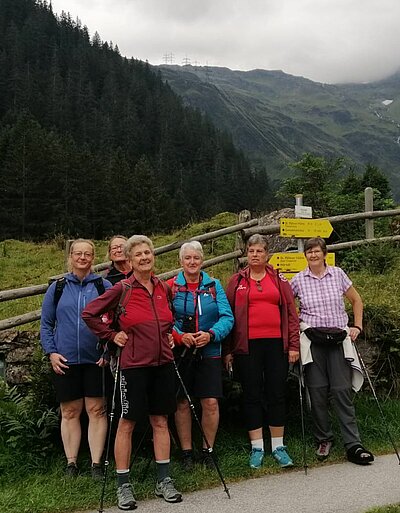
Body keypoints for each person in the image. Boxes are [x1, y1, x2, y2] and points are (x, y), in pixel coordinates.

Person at [82, 235, 182, 510]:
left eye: (147, 252)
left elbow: (165, 320)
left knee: (161, 421)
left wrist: (170, 336)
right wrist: (112, 335)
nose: (144, 257)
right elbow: (89, 314)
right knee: (127, 422)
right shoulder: (122, 288)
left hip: (162, 363)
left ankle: (164, 480)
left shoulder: (163, 287)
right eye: (138, 254)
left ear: (154, 256)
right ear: (129, 260)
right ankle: (123, 485)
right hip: (133, 366)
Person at [290, 237, 374, 465]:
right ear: (305, 255)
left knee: (342, 391)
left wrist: (357, 326)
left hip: (338, 341)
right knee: (316, 392)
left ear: (324, 253)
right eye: (309, 252)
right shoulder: (298, 280)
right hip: (313, 342)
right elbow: (287, 306)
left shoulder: (337, 274)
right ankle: (323, 439)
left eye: (317, 251)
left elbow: (357, 300)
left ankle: (353, 443)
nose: (313, 255)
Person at [223, 234, 299, 469]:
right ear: (246, 254)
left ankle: (278, 446)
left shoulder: (279, 280)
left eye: (259, 251)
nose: (255, 254)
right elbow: (228, 317)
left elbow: (291, 313)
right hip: (246, 346)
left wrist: (294, 345)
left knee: (276, 392)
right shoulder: (236, 281)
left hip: (276, 344)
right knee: (251, 394)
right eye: (251, 250)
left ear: (267, 254)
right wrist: (228, 350)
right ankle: (257, 447)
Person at [40, 239, 112, 479]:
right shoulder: (57, 288)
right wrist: (51, 352)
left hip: (96, 359)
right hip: (65, 359)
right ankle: (71, 463)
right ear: (70, 257)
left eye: (88, 254)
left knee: (97, 409)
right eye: (78, 253)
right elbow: (46, 324)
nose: (83, 258)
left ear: (94, 258)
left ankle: (96, 463)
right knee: (69, 411)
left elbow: (115, 322)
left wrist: (107, 350)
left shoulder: (103, 286)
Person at [168, 241, 234, 470]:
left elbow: (228, 317)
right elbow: (165, 321)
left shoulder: (214, 285)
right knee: (182, 403)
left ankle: (208, 450)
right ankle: (187, 452)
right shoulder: (171, 287)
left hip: (209, 352)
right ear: (181, 261)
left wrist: (212, 334)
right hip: (181, 352)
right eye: (188, 258)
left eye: (196, 258)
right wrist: (179, 337)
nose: (192, 262)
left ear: (202, 260)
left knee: (210, 402)